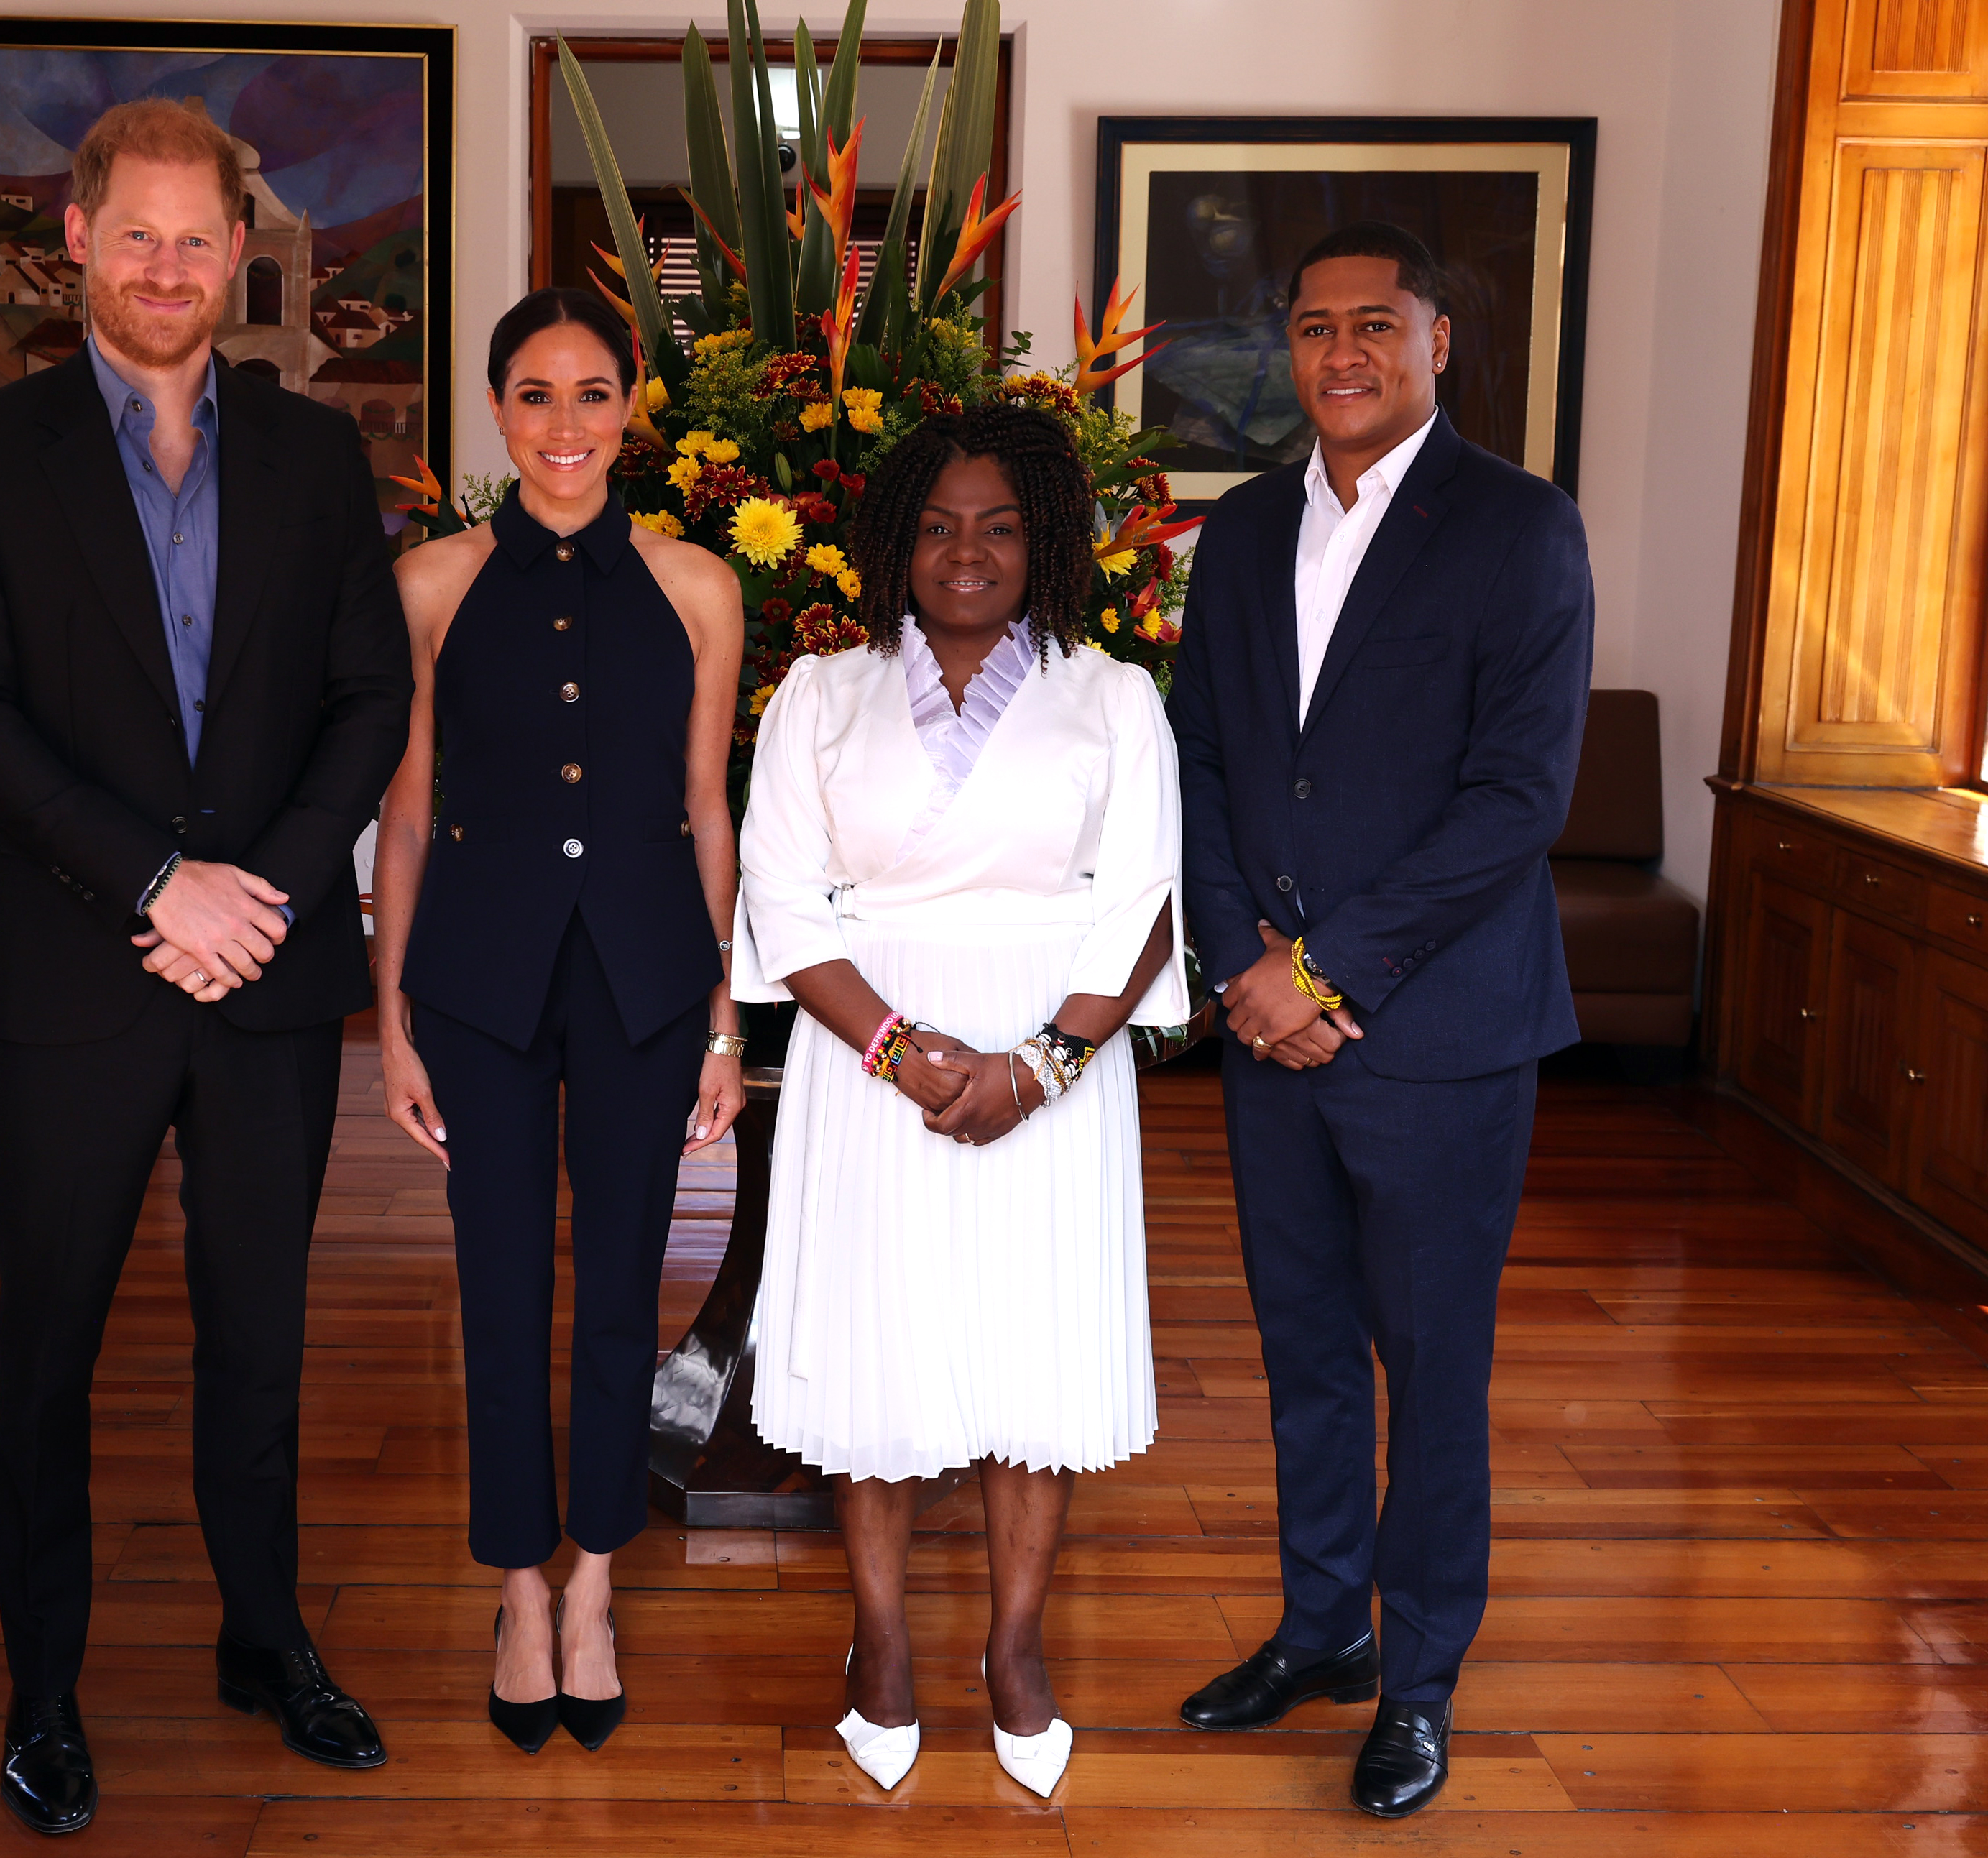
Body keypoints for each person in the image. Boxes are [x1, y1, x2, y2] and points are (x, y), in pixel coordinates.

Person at [0, 98, 410, 1836]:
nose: (172, 269)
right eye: (141, 236)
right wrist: (155, 882)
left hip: (263, 968)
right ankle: (41, 1691)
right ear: (78, 235)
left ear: (236, 250)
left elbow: (369, 700)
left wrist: (253, 890)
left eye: (202, 239)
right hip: (67, 970)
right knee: (47, 1349)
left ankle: (265, 1639)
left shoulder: (314, 456)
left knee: (257, 1337)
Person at [1165, 221, 1593, 1819]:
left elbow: (1514, 802)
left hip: (1435, 1039)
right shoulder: (1245, 528)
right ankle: (1319, 1630)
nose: (1342, 353)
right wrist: (1238, 964)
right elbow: (1199, 757)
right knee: (1304, 1358)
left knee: (1432, 1367)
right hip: (1271, 1029)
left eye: (1376, 324)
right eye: (1314, 328)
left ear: (1436, 342)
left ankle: (1417, 1685)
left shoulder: (1519, 530)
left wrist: (1323, 972)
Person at [733, 403, 1187, 1800]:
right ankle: (879, 1646)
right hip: (873, 1058)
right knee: (884, 1363)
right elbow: (783, 893)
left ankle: (1016, 1649)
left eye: (996, 526)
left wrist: (1039, 1065)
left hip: (1054, 1061)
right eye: (935, 527)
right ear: (892, 544)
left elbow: (1147, 902)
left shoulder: (1113, 697)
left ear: (1042, 537)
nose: (966, 553)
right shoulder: (822, 693)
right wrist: (905, 1053)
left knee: (1028, 1364)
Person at [369, 288, 747, 1754]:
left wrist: (722, 1013)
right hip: (479, 979)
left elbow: (707, 811)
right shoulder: (431, 585)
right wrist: (395, 1020)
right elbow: (405, 819)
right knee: (499, 1285)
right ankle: (516, 1586)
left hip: (650, 974)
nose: (566, 426)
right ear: (495, 409)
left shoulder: (702, 587)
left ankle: (594, 1578)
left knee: (619, 1291)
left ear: (634, 401)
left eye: (594, 393)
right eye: (535, 395)